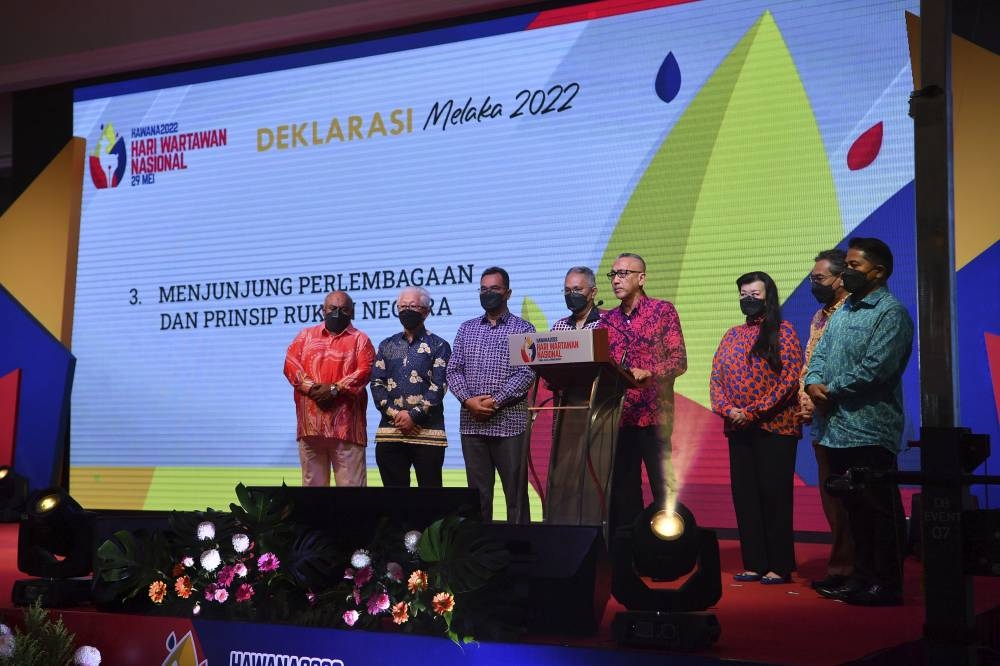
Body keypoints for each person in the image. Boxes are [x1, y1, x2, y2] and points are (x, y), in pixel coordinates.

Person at [805, 237, 913, 606]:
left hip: (870, 428)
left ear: (878, 272)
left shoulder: (890, 313)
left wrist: (830, 390)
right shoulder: (845, 310)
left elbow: (877, 369)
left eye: (854, 266)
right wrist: (811, 382)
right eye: (846, 265)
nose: (847, 272)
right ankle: (858, 577)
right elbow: (818, 354)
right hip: (835, 430)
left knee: (877, 510)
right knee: (852, 511)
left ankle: (885, 583)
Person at [710, 271, 803, 585]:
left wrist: (754, 411)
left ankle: (779, 564)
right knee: (745, 496)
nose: (748, 299)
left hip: (775, 427)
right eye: (743, 294)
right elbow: (716, 380)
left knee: (774, 496)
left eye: (755, 294)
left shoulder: (784, 331)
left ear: (769, 296)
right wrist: (728, 410)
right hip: (738, 428)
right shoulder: (731, 335)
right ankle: (754, 562)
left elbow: (789, 379)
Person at [599, 253, 687, 536]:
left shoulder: (662, 311)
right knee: (624, 490)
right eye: (612, 274)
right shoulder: (606, 320)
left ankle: (666, 548)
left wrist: (649, 371)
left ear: (642, 278)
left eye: (623, 273)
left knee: (662, 487)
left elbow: (679, 360)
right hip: (618, 417)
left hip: (653, 415)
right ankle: (630, 553)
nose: (616, 280)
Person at [446, 267, 536, 523]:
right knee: (477, 497)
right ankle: (480, 555)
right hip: (472, 425)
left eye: (494, 289)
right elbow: (453, 370)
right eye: (483, 289)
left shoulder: (524, 328)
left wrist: (495, 401)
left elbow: (527, 372)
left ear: (508, 293)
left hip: (510, 426)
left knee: (515, 497)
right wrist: (468, 400)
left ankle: (521, 553)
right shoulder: (467, 329)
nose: (488, 294)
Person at [797, 249, 854, 591]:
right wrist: (805, 402)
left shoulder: (853, 314)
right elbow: (809, 363)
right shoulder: (819, 316)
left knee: (851, 499)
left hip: (847, 418)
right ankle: (841, 567)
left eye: (819, 279)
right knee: (831, 497)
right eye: (811, 278)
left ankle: (852, 569)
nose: (813, 284)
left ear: (840, 278)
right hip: (821, 420)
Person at [283, 290, 375, 487]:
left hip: (346, 428)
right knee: (313, 492)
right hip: (311, 427)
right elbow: (290, 364)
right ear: (322, 310)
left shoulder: (361, 340)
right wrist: (312, 388)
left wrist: (335, 389)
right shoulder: (305, 336)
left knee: (352, 492)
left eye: (343, 309)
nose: (337, 313)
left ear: (352, 312)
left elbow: (365, 371)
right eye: (333, 308)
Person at [370, 287, 451, 487]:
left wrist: (413, 416)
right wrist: (396, 415)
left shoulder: (439, 345)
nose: (407, 310)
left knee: (429, 501)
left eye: (413, 306)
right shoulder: (386, 345)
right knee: (394, 503)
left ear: (426, 311)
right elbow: (376, 383)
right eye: (402, 306)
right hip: (390, 432)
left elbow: (439, 385)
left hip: (428, 434)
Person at [552, 266, 602, 330]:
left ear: (593, 292)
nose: (572, 294)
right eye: (567, 290)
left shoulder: (607, 321)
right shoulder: (559, 327)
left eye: (577, 290)